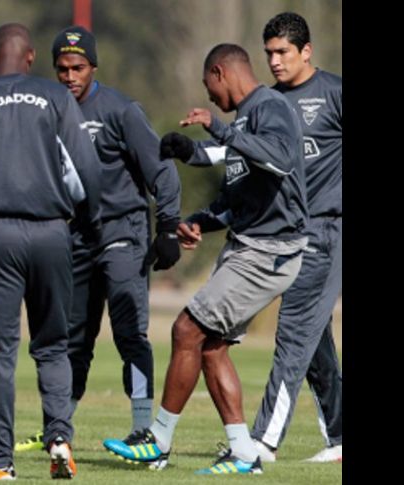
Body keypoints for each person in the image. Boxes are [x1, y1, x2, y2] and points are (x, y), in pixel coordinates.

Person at [104, 43, 308, 475]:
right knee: (212, 348)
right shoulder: (246, 120)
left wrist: (217, 126)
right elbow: (243, 195)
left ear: (220, 72)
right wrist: (199, 218)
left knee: (186, 328)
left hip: (268, 251)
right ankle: (244, 453)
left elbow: (284, 161)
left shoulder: (269, 106)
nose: (210, 96)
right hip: (249, 246)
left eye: (208, 86)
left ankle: (157, 441)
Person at [0, 23, 102, 480]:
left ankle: (1, 465)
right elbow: (86, 172)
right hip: (53, 234)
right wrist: (85, 228)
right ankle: (61, 439)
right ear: (30, 59)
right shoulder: (56, 98)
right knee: (53, 347)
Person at [16, 25, 182, 453]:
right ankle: (59, 429)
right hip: (75, 238)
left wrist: (167, 227)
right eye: (62, 69)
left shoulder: (120, 110)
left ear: (93, 66)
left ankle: (144, 428)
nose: (70, 76)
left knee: (130, 333)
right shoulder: (48, 112)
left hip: (122, 231)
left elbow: (161, 170)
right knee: (71, 338)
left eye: (78, 67)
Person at [249, 12, 342, 464]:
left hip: (327, 230)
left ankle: (262, 443)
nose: (275, 61)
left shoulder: (335, 94)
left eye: (283, 52)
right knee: (314, 339)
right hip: (285, 235)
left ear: (306, 51)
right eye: (268, 53)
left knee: (293, 334)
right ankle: (342, 438)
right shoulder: (266, 102)